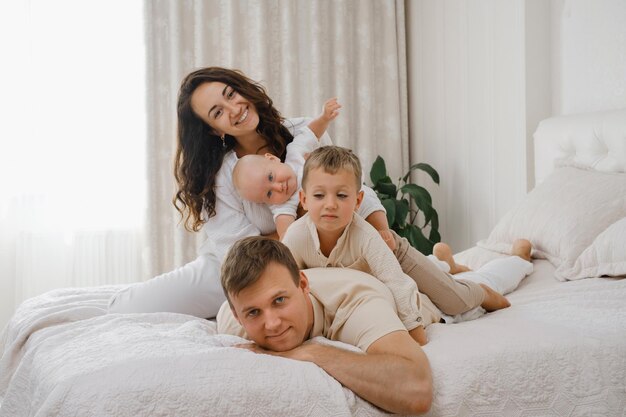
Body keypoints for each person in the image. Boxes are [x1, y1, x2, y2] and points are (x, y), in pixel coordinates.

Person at [107, 67, 387, 318]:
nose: (234, 108)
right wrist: (316, 223)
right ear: (213, 130)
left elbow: (349, 189)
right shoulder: (220, 175)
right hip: (233, 269)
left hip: (310, 262)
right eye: (217, 112)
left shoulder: (304, 133)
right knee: (125, 308)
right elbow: (243, 250)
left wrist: (372, 228)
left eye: (231, 94)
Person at [282, 146, 532, 345]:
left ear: (358, 201)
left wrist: (415, 333)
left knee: (454, 301)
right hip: (370, 281)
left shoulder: (366, 236)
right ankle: (447, 265)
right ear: (303, 199)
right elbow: (286, 282)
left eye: (342, 195)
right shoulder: (296, 237)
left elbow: (396, 283)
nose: (330, 204)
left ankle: (480, 289)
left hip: (396, 257)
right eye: (319, 195)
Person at [216, 236, 433, 415]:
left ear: (303, 285)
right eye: (254, 313)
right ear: (237, 316)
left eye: (279, 300)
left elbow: (417, 389)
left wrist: (313, 353)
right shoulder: (230, 318)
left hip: (413, 296)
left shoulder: (356, 303)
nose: (272, 324)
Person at [233, 97, 341, 240]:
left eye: (271, 177)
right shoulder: (283, 205)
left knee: (365, 196)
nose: (278, 187)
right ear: (266, 202)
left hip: (339, 195)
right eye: (269, 194)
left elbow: (311, 133)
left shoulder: (295, 154)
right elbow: (285, 231)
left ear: (273, 158)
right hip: (327, 220)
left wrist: (324, 118)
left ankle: (381, 228)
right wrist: (288, 241)